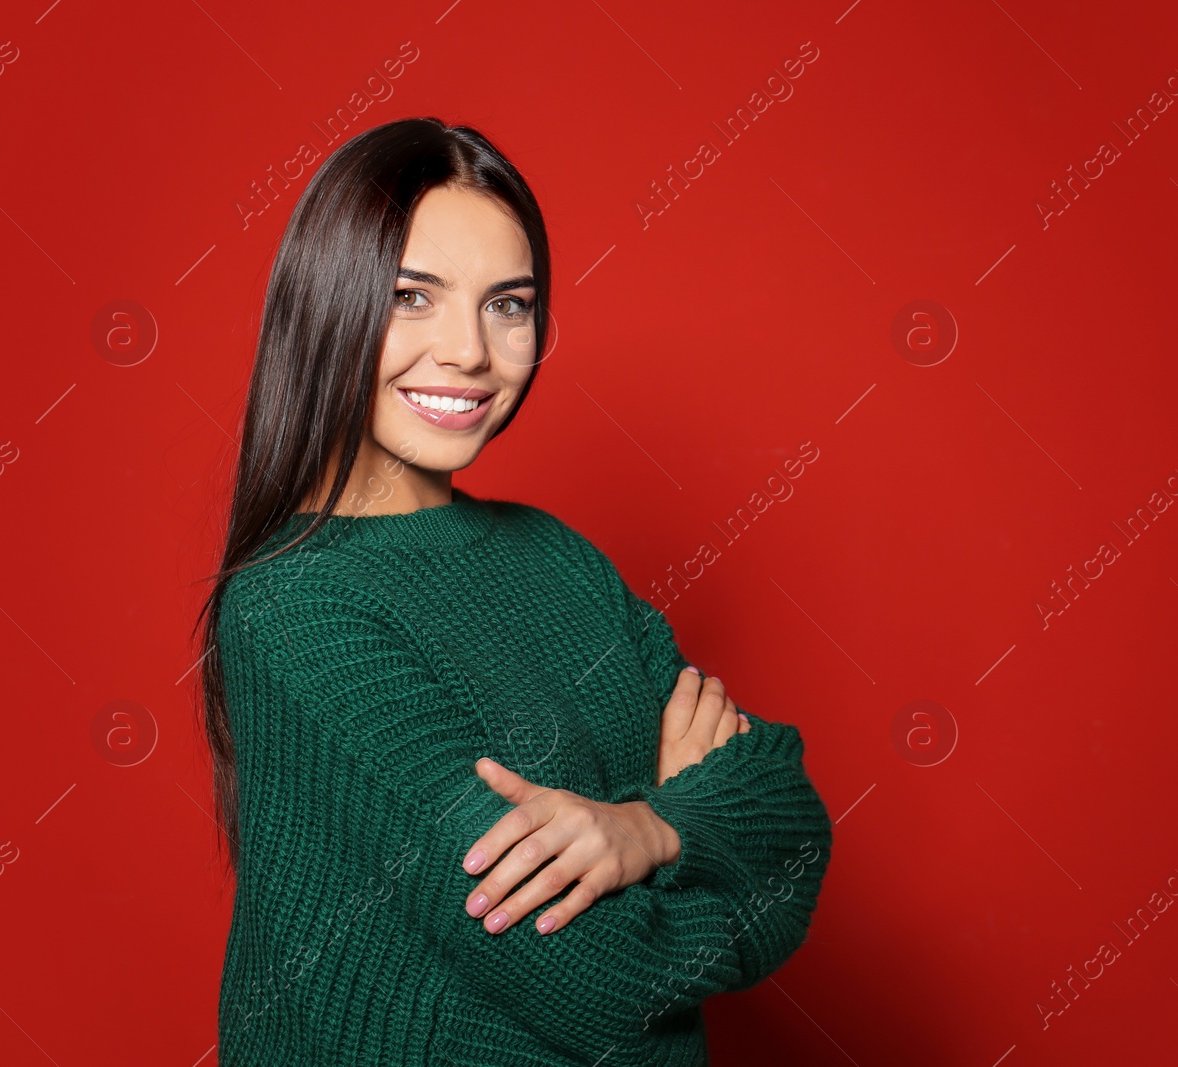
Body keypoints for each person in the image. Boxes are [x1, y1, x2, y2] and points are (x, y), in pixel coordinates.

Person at [191, 117, 832, 1065]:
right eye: (412, 297)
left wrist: (650, 826)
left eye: (509, 304)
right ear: (326, 305)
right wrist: (707, 839)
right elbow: (603, 984)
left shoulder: (554, 555)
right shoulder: (298, 607)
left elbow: (795, 822)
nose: (470, 353)